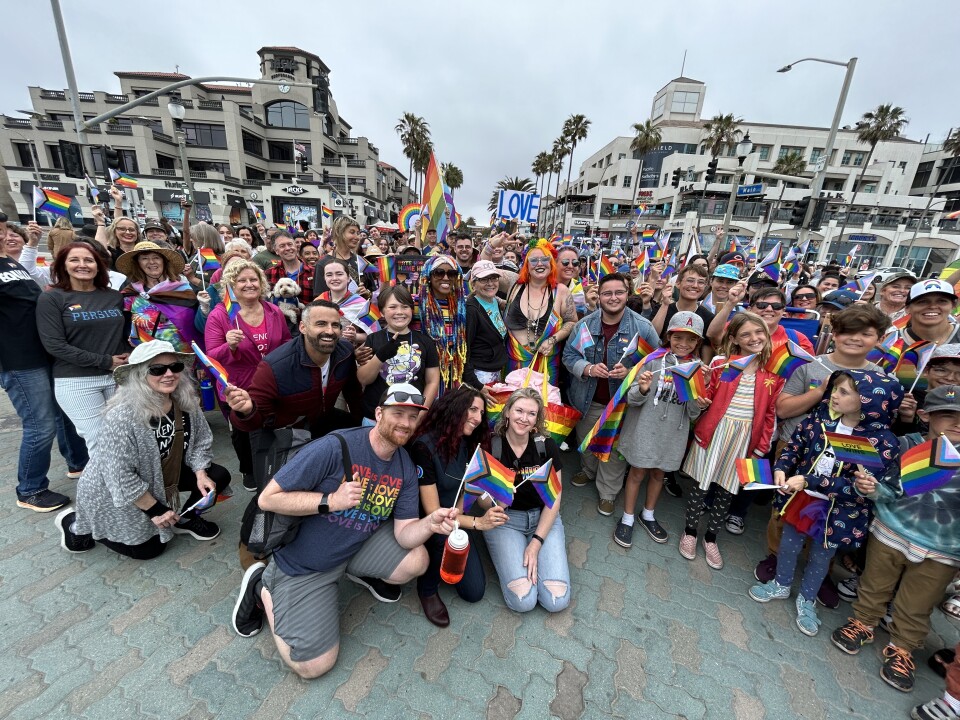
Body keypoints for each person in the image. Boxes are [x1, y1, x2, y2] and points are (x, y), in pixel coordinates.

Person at [230, 383, 459, 679]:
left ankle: (356, 573)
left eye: (413, 417)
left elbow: (404, 535)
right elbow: (268, 499)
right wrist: (331, 501)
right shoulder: (336, 446)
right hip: (305, 564)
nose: (405, 422)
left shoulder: (403, 466)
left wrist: (430, 523)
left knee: (418, 559)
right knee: (313, 666)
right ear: (379, 413)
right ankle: (262, 586)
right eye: (398, 413)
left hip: (352, 548)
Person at [750, 370, 900, 637]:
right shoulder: (820, 421)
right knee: (789, 543)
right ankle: (781, 583)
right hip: (803, 500)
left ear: (869, 400)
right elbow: (795, 446)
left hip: (839, 510)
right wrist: (782, 467)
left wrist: (809, 481)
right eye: (835, 389)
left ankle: (807, 600)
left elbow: (856, 488)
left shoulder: (882, 442)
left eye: (844, 392)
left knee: (822, 555)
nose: (834, 396)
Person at [832, 385, 960, 695]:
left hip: (943, 549)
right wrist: (869, 487)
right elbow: (886, 488)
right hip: (890, 531)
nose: (957, 423)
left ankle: (902, 647)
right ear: (925, 415)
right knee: (875, 583)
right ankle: (862, 622)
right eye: (948, 415)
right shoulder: (906, 446)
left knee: (918, 603)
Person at [755, 304, 890, 590]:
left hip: (847, 461)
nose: (855, 339)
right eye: (848, 331)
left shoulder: (880, 378)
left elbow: (878, 425)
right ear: (836, 333)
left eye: (866, 334)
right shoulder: (810, 366)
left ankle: (820, 572)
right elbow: (782, 408)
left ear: (879, 338)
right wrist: (821, 392)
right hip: (798, 447)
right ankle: (776, 557)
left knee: (833, 515)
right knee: (785, 509)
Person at [55, 341, 231, 557]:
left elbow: (201, 441)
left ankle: (185, 518)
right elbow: (119, 475)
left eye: (175, 367)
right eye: (157, 369)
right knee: (149, 551)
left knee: (217, 477)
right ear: (139, 375)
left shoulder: (185, 402)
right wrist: (156, 510)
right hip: (113, 489)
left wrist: (200, 473)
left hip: (162, 474)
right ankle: (74, 524)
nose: (169, 374)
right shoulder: (121, 416)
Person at [679, 312, 783, 570]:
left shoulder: (773, 372)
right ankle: (690, 531)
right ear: (734, 339)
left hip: (745, 438)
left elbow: (771, 412)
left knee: (728, 489)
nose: (754, 338)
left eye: (758, 332)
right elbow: (709, 394)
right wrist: (702, 394)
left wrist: (762, 447)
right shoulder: (722, 363)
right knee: (700, 485)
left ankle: (711, 537)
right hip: (714, 432)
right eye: (746, 334)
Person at [0, 226, 87, 512]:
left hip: (44, 352)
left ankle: (78, 463)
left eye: (3, 230)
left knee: (64, 413)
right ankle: (31, 489)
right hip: (18, 360)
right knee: (40, 425)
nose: (3, 235)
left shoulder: (9, 261)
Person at [563, 272, 660, 515]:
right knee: (587, 442)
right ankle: (588, 471)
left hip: (623, 403)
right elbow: (568, 356)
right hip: (588, 400)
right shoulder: (584, 325)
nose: (613, 297)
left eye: (619, 292)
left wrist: (631, 372)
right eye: (607, 293)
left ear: (628, 294)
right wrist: (588, 368)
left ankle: (607, 492)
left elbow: (656, 364)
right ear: (600, 296)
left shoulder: (643, 327)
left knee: (614, 452)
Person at [408, 386, 506, 626]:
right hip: (428, 522)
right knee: (442, 534)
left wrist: (492, 502)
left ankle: (445, 558)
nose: (477, 418)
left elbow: (468, 487)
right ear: (454, 408)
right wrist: (477, 523)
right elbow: (433, 514)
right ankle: (427, 589)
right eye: (472, 409)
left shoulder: (469, 441)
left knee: (473, 592)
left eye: (481, 413)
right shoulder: (424, 447)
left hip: (454, 516)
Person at [614, 312, 706, 548]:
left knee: (658, 474)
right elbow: (632, 399)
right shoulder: (652, 361)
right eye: (678, 338)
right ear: (669, 337)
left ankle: (648, 515)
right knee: (636, 473)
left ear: (698, 343)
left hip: (672, 435)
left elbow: (693, 413)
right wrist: (643, 389)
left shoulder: (697, 371)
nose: (683, 344)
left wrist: (699, 402)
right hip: (645, 429)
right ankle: (627, 517)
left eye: (691, 340)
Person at [205, 260, 290, 490]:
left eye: (254, 279)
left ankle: (272, 466)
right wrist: (229, 346)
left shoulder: (273, 310)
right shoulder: (220, 315)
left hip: (271, 382)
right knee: (243, 433)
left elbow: (285, 343)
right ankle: (248, 470)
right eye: (242, 280)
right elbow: (211, 356)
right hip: (237, 386)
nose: (249, 284)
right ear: (231, 285)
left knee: (269, 427)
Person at [36, 243, 128, 453]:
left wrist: (127, 354)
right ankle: (108, 486)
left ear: (98, 266)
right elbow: (54, 345)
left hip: (117, 377)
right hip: (76, 381)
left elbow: (121, 333)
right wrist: (105, 361)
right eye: (74, 260)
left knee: (124, 437)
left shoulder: (113, 297)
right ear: (63, 266)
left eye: (89, 260)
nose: (82, 265)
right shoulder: (52, 298)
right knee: (99, 441)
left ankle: (129, 483)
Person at [485, 388, 570, 613]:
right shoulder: (492, 446)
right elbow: (482, 502)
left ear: (537, 419)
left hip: (542, 518)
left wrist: (536, 543)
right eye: (519, 411)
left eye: (531, 414)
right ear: (507, 413)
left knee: (556, 600)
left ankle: (531, 552)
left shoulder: (546, 445)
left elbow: (554, 498)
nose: (524, 418)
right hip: (505, 521)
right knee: (523, 601)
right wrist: (498, 501)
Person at [357, 285, 440, 423]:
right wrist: (380, 356)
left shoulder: (426, 342)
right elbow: (364, 379)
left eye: (405, 306)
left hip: (411, 416)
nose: (399, 312)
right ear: (382, 312)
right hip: (375, 416)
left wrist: (420, 414)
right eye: (392, 307)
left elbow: (432, 381)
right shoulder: (373, 339)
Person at [504, 240, 576, 385]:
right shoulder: (515, 285)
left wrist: (552, 340)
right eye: (534, 260)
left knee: (544, 406)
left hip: (546, 365)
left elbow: (572, 321)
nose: (540, 264)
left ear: (551, 264)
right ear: (526, 265)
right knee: (513, 405)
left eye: (545, 259)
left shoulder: (561, 291)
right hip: (513, 364)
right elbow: (482, 273)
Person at [117, 241, 201, 352]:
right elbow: (124, 327)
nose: (151, 262)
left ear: (164, 262)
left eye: (156, 257)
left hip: (184, 356)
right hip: (147, 357)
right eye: (144, 258)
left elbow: (198, 324)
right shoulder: (130, 294)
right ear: (137, 264)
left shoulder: (184, 290)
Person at [416, 255, 471, 392]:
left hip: (454, 372)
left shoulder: (461, 305)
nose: (446, 278)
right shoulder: (416, 305)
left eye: (451, 273)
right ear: (428, 276)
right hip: (425, 371)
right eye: (439, 273)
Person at [462, 260, 509, 392]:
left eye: (493, 278)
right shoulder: (471, 310)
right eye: (484, 279)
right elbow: (465, 350)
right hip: (480, 377)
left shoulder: (495, 301)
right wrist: (477, 385)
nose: (490, 283)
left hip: (495, 372)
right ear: (473, 284)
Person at [652, 264, 714, 354]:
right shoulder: (660, 308)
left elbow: (707, 347)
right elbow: (652, 336)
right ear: (678, 283)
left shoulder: (708, 317)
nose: (695, 285)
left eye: (701, 282)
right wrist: (665, 304)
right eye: (690, 281)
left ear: (705, 287)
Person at [312, 215, 374, 298]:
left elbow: (372, 291)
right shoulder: (323, 264)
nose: (357, 237)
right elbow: (319, 299)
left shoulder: (362, 261)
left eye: (358, 233)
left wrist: (367, 293)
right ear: (339, 232)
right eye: (352, 232)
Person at [899, 279, 960, 348]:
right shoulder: (890, 341)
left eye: (941, 301)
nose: (932, 306)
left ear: (953, 305)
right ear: (907, 308)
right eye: (923, 302)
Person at [317, 259, 365, 344]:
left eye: (339, 274)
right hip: (323, 354)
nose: (334, 278)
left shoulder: (361, 303)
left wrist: (356, 337)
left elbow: (375, 334)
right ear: (324, 278)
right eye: (329, 275)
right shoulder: (318, 302)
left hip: (351, 354)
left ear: (348, 277)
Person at [265, 232, 316, 306]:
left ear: (295, 246)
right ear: (276, 251)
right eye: (282, 246)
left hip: (309, 316)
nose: (288, 248)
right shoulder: (269, 274)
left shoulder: (314, 272)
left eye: (290, 244)